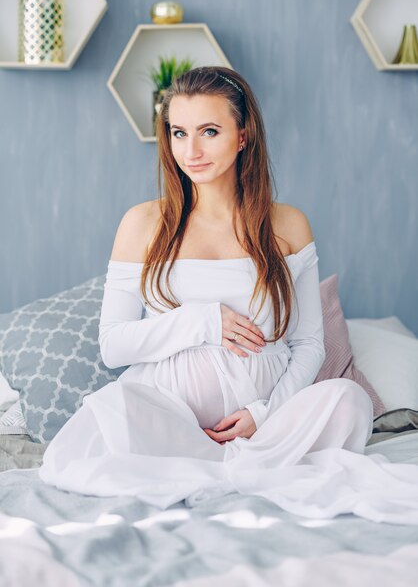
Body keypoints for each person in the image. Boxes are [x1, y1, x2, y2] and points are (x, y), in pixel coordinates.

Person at [39, 67, 418, 524]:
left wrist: (264, 412)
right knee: (113, 408)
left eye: (209, 131)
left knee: (348, 399)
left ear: (243, 135)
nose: (191, 150)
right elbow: (113, 345)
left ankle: (238, 464)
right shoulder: (142, 224)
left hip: (266, 429)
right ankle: (214, 465)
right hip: (173, 423)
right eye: (179, 133)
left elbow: (308, 345)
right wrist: (204, 320)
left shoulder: (287, 225)